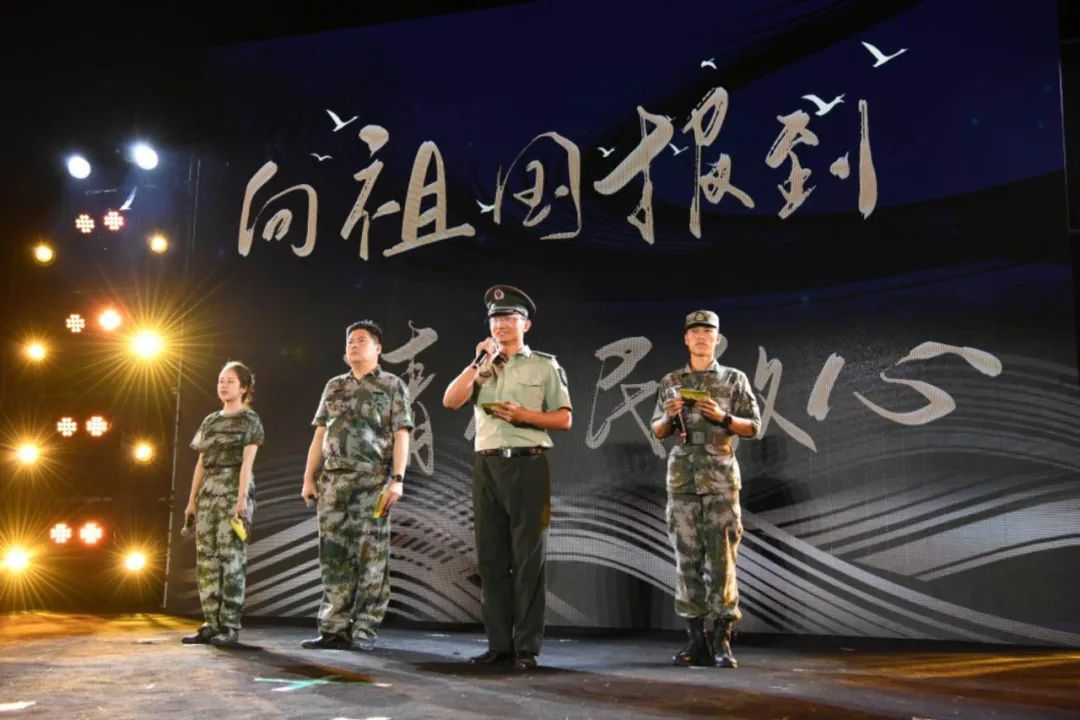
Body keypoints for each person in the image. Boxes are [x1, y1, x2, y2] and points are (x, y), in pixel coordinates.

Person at [442, 285, 572, 671]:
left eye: (509, 318)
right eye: (495, 319)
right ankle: (499, 645)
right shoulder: (483, 366)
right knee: (491, 558)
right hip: (487, 465)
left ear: (525, 324)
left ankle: (526, 648)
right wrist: (477, 362)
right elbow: (451, 400)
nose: (500, 325)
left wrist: (524, 416)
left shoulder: (544, 366)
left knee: (528, 558)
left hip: (528, 464)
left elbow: (564, 419)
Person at [650, 311, 761, 668]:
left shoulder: (734, 379)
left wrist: (722, 417)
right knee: (687, 559)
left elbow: (754, 427)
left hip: (720, 479)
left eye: (707, 331)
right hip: (683, 480)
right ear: (686, 339)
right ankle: (695, 639)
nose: (700, 336)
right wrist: (669, 416)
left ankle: (721, 638)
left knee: (723, 560)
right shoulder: (671, 380)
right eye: (694, 331)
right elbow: (657, 431)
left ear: (717, 338)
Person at [300, 320, 413, 652]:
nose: (353, 344)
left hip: (372, 482)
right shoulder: (334, 386)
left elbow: (402, 434)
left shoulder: (392, 385)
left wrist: (397, 480)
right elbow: (320, 434)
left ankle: (364, 629)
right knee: (333, 556)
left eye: (361, 340)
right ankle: (333, 628)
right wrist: (308, 478)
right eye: (350, 340)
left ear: (378, 348)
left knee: (370, 556)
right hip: (333, 482)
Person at [182, 361, 264, 646]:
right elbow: (201, 463)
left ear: (244, 388)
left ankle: (229, 625)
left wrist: (241, 500)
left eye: (230, 381)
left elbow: (247, 464)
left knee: (231, 559)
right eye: (220, 380)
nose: (223, 385)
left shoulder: (250, 419)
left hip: (233, 490)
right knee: (206, 558)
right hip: (208, 492)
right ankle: (211, 622)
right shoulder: (210, 421)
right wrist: (192, 500)